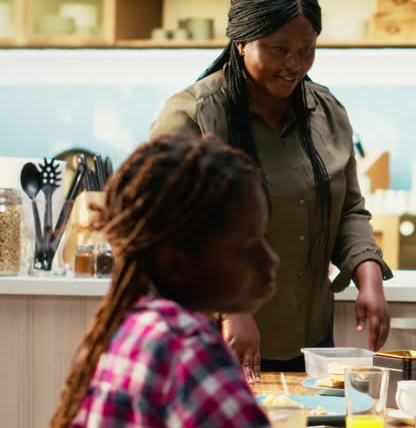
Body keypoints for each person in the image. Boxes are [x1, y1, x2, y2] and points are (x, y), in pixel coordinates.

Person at [150, 0, 392, 376]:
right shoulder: (192, 114)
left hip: (311, 341)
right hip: (216, 338)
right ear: (241, 42)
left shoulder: (327, 112)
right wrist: (232, 309)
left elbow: (347, 208)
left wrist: (370, 278)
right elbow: (170, 232)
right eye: (277, 49)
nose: (293, 65)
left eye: (306, 50)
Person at [50, 134, 279, 427]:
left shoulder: (134, 326)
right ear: (176, 263)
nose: (270, 259)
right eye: (247, 246)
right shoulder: (191, 350)